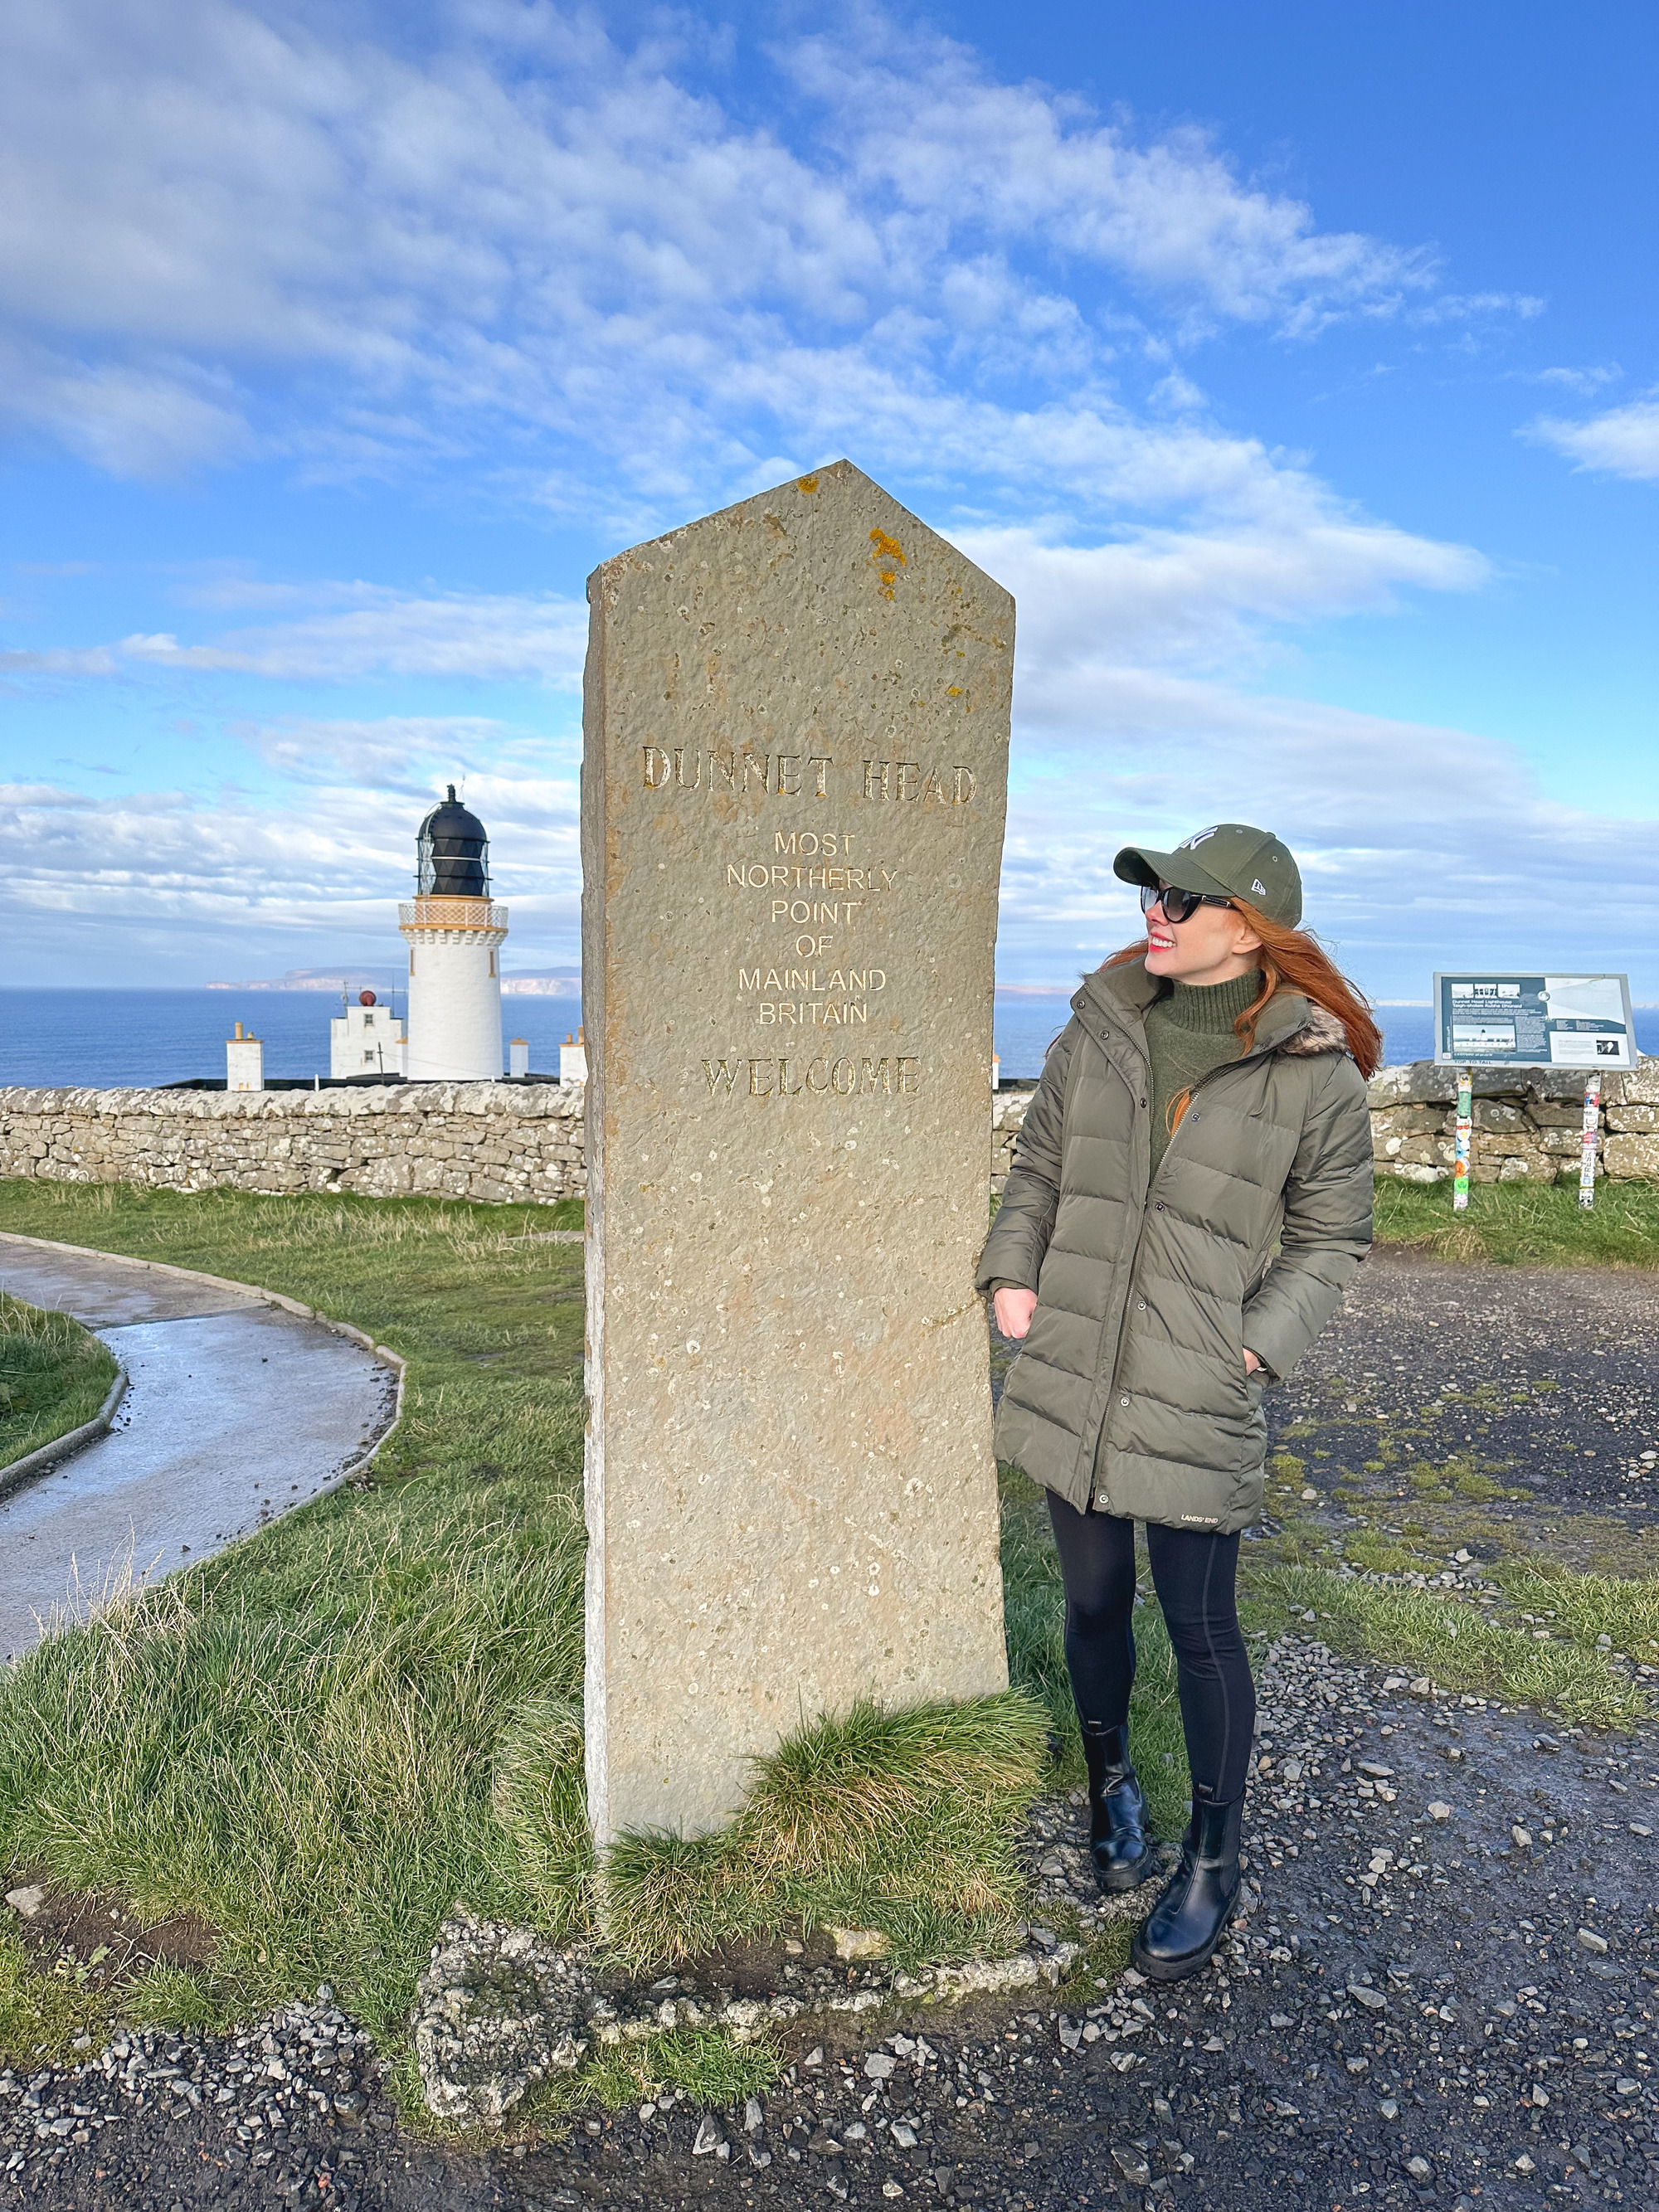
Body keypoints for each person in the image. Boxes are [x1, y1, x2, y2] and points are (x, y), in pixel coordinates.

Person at [977, 823, 1379, 1982]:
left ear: (1247, 928)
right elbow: (1040, 1171)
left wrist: (1253, 1349)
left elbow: (1330, 1236)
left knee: (1200, 1630)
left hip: (1199, 1384)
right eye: (1155, 891)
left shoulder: (1315, 1073)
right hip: (1075, 1368)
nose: (1157, 909)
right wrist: (1010, 1274)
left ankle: (1213, 1856)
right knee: (1095, 1604)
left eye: (1185, 899)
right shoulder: (1098, 1026)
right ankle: (1111, 1786)